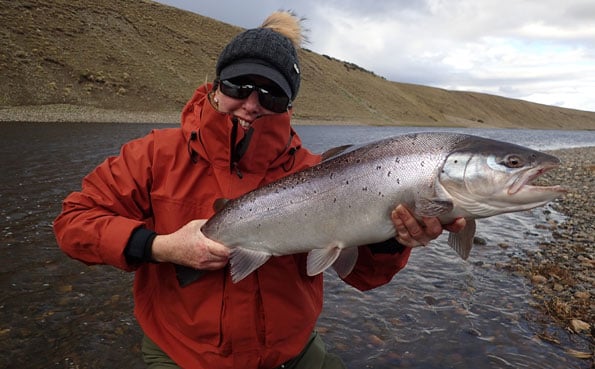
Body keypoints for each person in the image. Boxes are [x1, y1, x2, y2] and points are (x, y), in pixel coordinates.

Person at [53, 11, 465, 369]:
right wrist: (160, 247)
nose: (251, 103)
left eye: (270, 93)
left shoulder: (319, 172)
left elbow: (363, 277)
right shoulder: (152, 155)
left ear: (289, 106)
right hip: (183, 355)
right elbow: (73, 224)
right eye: (237, 86)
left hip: (292, 354)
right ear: (215, 86)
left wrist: (394, 241)